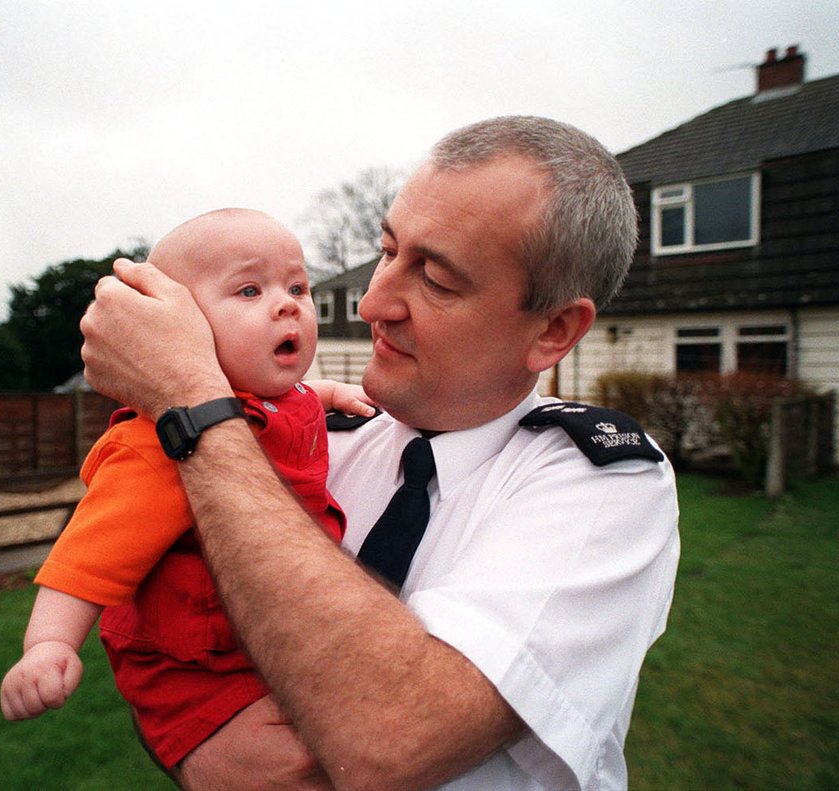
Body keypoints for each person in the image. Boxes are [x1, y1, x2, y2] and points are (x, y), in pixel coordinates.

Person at [79, 116, 681, 791]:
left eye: (436, 279)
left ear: (553, 329)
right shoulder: (306, 438)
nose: (371, 301)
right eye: (388, 249)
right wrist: (188, 745)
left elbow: (390, 738)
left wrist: (191, 401)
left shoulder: (604, 483)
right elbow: (157, 632)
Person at [0, 208, 374, 772]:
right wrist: (48, 646)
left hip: (266, 638)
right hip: (197, 672)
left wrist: (327, 392)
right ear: (176, 329)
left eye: (297, 286)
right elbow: (89, 555)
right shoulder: (158, 444)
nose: (287, 303)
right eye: (250, 290)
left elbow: (280, 408)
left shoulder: (285, 400)